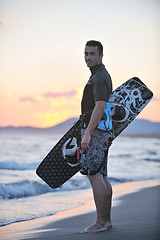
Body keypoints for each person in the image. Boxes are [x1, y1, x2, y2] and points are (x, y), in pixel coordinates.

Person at [80, 40, 113, 233]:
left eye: (92, 53)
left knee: (93, 175)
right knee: (102, 175)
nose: (88, 57)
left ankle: (100, 222)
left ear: (101, 55)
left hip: (96, 132)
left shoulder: (99, 76)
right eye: (85, 53)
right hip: (103, 130)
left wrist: (88, 134)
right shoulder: (99, 75)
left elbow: (100, 106)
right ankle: (106, 221)